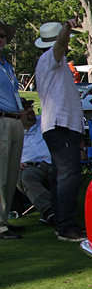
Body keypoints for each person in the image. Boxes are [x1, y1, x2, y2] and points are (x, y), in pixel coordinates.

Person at [34, 19, 87, 241]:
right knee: (68, 176)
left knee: (60, 176)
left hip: (60, 125)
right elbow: (61, 43)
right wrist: (68, 26)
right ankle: (67, 226)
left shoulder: (53, 61)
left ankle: (61, 221)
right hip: (61, 124)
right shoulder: (51, 59)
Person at [0, 18, 27, 240]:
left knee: (10, 174)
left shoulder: (6, 63)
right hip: (2, 119)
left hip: (14, 119)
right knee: (1, 173)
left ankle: (4, 219)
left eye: (2, 36)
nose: (1, 39)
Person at [17, 100, 55, 226]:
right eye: (25, 109)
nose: (30, 110)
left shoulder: (45, 122)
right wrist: (16, 162)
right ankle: (50, 211)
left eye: (30, 107)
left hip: (53, 162)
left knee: (63, 174)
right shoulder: (14, 131)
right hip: (29, 167)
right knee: (27, 177)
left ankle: (58, 211)